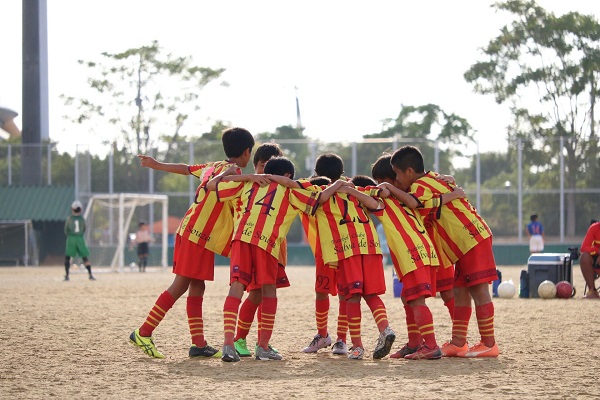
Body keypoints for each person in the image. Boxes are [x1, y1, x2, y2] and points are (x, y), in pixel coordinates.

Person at [128, 127, 255, 359]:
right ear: (247, 152)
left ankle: (198, 344)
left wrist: (157, 164)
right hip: (196, 235)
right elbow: (217, 187)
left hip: (197, 235)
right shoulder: (232, 175)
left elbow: (186, 169)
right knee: (180, 286)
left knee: (197, 286)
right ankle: (144, 332)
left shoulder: (212, 166)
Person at [206, 156, 320, 362]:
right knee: (268, 290)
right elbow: (316, 200)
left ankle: (228, 344)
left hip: (241, 238)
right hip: (266, 242)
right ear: (286, 175)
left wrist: (245, 176)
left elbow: (212, 186)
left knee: (236, 287)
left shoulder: (249, 183)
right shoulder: (290, 190)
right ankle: (263, 346)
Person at [391, 145, 499, 358]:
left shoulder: (420, 185)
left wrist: (389, 188)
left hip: (470, 238)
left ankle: (489, 343)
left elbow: (415, 204)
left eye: (397, 174)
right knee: (459, 290)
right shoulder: (436, 179)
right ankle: (458, 342)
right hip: (462, 243)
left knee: (478, 289)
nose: (397, 180)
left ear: (410, 172)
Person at [370, 155, 464, 359]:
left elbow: (431, 199)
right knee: (408, 296)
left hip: (433, 246)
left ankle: (459, 340)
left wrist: (453, 188)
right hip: (417, 250)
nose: (381, 186)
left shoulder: (415, 190)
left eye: (385, 180)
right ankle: (415, 343)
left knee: (446, 292)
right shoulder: (399, 196)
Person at [308, 153, 396, 360]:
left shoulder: (322, 190)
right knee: (372, 295)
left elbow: (316, 199)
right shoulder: (356, 188)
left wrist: (340, 187)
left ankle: (356, 346)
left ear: (317, 174)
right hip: (371, 247)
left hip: (348, 249)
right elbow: (378, 203)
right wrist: (351, 189)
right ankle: (385, 329)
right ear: (342, 173)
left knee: (351, 296)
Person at [231, 142, 288, 358]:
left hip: (274, 245)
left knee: (264, 292)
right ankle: (240, 339)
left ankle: (261, 342)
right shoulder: (247, 186)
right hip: (252, 242)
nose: (268, 172)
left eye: (273, 167)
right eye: (264, 166)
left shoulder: (282, 188)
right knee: (256, 293)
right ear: (255, 166)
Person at [300, 176, 350, 356]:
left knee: (345, 292)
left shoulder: (348, 190)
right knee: (322, 290)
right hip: (325, 250)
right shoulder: (313, 191)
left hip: (345, 249)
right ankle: (323, 335)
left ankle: (341, 339)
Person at [64, 200, 95, 281]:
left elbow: (66, 230)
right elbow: (84, 228)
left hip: (71, 238)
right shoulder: (82, 219)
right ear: (80, 209)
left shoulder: (69, 219)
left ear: (72, 209)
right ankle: (90, 275)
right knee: (85, 257)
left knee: (68, 257)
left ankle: (67, 276)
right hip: (80, 238)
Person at [580, 219, 600, 299]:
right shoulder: (594, 228)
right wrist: (598, 251)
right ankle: (592, 291)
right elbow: (584, 248)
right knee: (584, 257)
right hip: (596, 262)